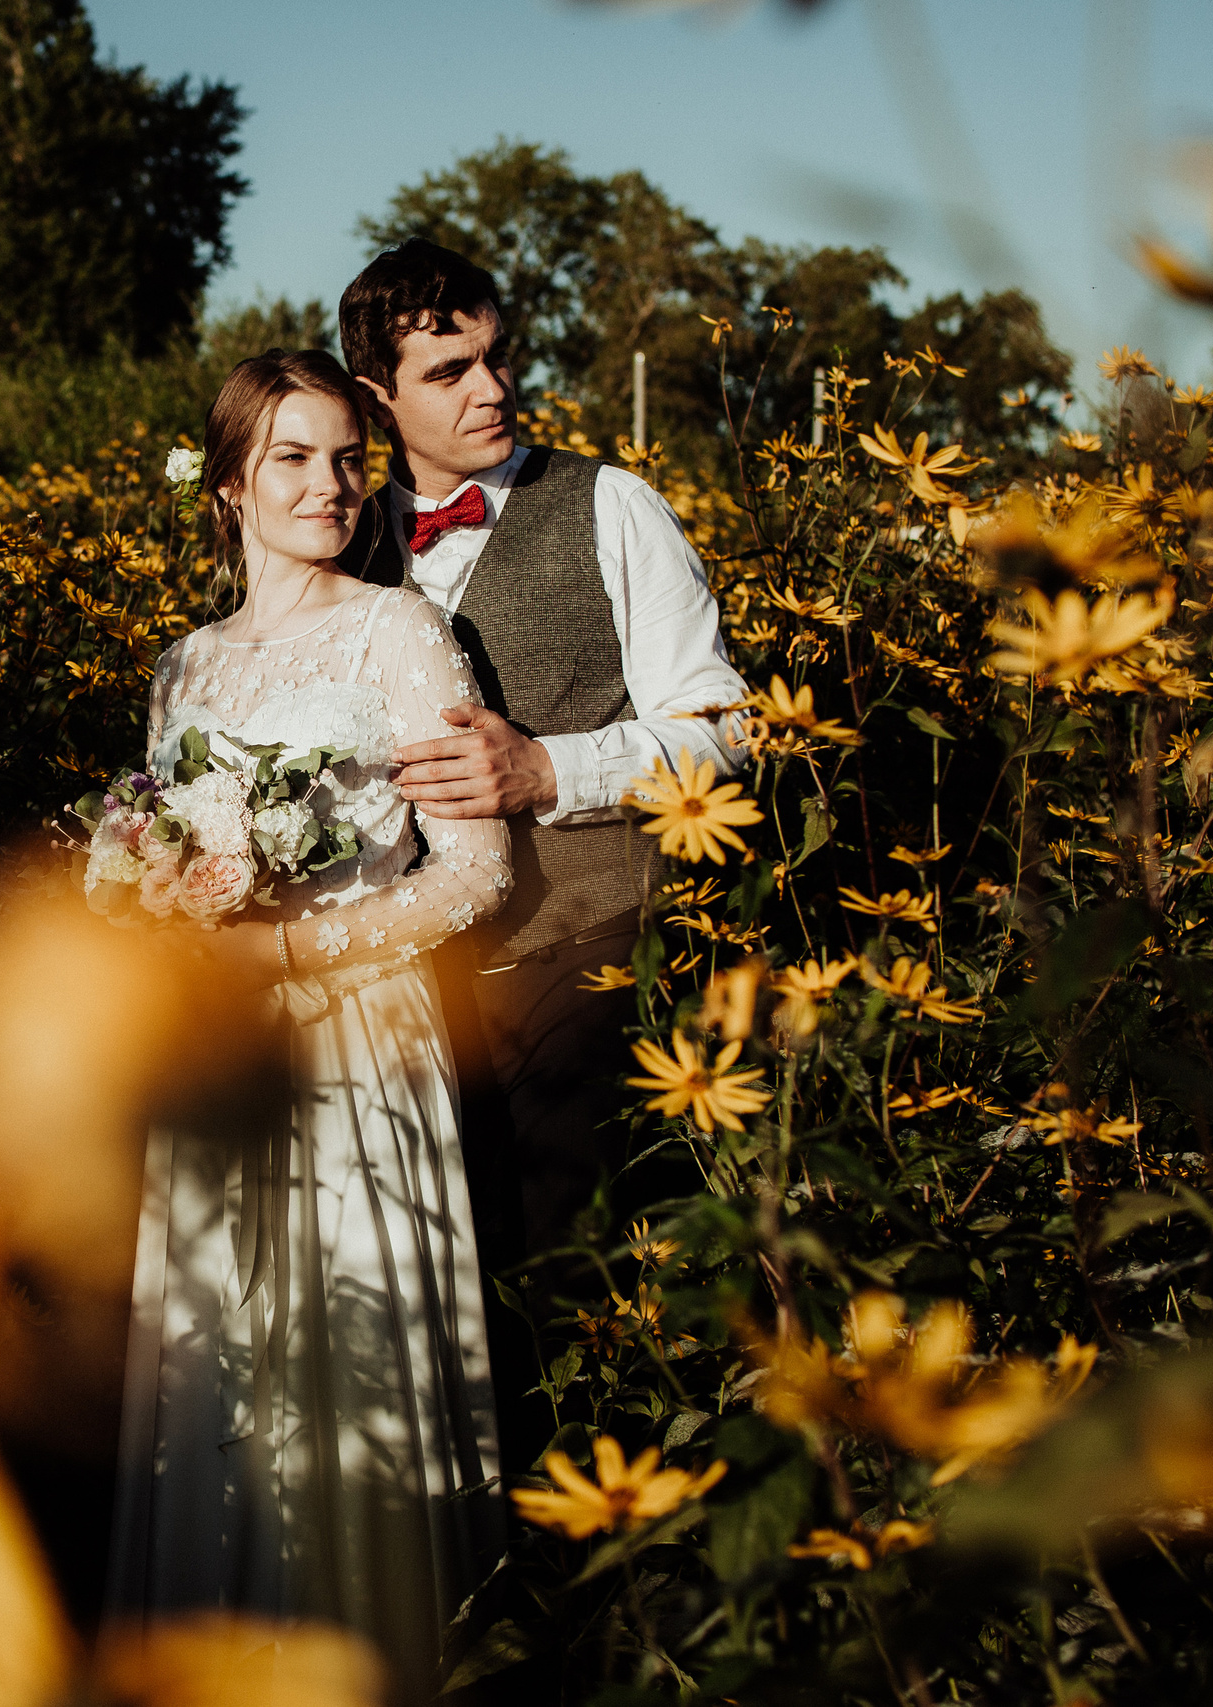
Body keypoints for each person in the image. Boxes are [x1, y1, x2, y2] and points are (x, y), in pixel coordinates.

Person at [103, 350, 511, 1702]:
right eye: (292, 456)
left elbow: (474, 871)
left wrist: (288, 948)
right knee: (221, 1352)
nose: (328, 485)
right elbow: (158, 851)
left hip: (356, 1034)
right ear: (230, 483)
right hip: (219, 1045)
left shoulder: (400, 630)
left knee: (352, 1346)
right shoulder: (181, 666)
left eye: (346, 458)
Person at [336, 239, 750, 1481]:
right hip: (400, 991)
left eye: (498, 355)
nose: (494, 387)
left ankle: (616, 1540)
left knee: (578, 1286)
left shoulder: (611, 506)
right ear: (375, 398)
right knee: (436, 1297)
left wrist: (551, 771)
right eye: (449, 370)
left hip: (590, 955)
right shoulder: (341, 541)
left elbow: (727, 732)